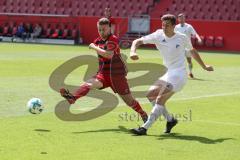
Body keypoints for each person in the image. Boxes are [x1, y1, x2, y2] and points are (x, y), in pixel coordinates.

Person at [129, 14, 213, 135]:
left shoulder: (182, 37)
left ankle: (144, 128)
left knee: (159, 99)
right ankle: (170, 120)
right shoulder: (158, 35)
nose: (164, 27)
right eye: (163, 25)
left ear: (174, 26)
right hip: (168, 73)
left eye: (167, 25)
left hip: (179, 74)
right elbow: (137, 41)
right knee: (150, 95)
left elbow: (192, 51)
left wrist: (204, 66)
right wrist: (132, 51)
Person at [60, 18, 148, 123]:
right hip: (103, 74)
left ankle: (143, 114)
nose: (101, 32)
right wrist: (95, 46)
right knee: (88, 84)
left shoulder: (113, 39)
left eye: (104, 29)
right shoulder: (97, 41)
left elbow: (108, 54)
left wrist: (94, 47)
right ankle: (73, 98)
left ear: (110, 29)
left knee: (129, 101)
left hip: (117, 76)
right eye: (99, 30)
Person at [175, 13, 203, 78]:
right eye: (180, 18)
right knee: (179, 60)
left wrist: (199, 39)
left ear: (184, 18)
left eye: (182, 17)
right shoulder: (176, 27)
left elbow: (195, 34)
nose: (181, 19)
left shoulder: (189, 26)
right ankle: (179, 74)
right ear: (178, 19)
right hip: (179, 47)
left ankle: (190, 72)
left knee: (189, 61)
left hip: (188, 46)